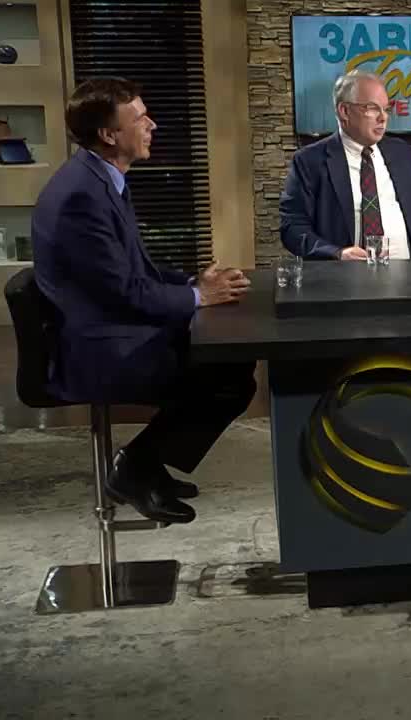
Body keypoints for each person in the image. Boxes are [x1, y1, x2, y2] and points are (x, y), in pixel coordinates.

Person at [32, 77, 257, 524]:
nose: (151, 124)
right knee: (228, 375)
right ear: (109, 135)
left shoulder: (102, 177)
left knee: (233, 363)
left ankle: (146, 464)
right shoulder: (82, 196)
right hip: (98, 349)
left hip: (110, 326)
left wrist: (195, 281)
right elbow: (124, 293)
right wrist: (198, 296)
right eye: (139, 118)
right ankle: (135, 467)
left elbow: (132, 271)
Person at [280, 69, 411, 261]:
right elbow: (293, 228)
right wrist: (336, 253)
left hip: (407, 278)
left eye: (386, 109)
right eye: (372, 108)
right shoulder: (310, 162)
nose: (383, 118)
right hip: (343, 281)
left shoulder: (400, 152)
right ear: (344, 111)